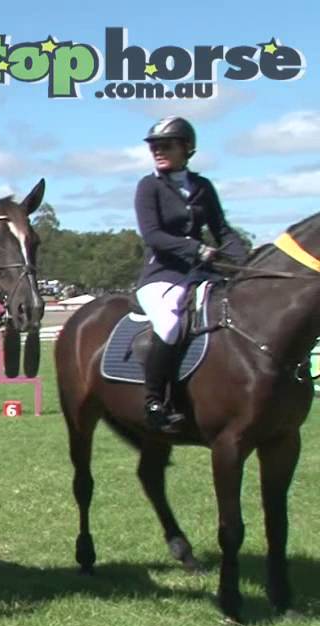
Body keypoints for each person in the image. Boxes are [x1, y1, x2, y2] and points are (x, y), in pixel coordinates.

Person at [133, 115, 247, 432]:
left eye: (165, 145)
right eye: (154, 146)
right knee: (170, 325)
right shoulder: (149, 186)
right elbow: (153, 235)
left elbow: (222, 232)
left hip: (201, 276)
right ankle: (155, 401)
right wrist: (195, 249)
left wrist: (246, 265)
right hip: (162, 277)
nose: (158, 151)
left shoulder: (202, 187)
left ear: (187, 148)